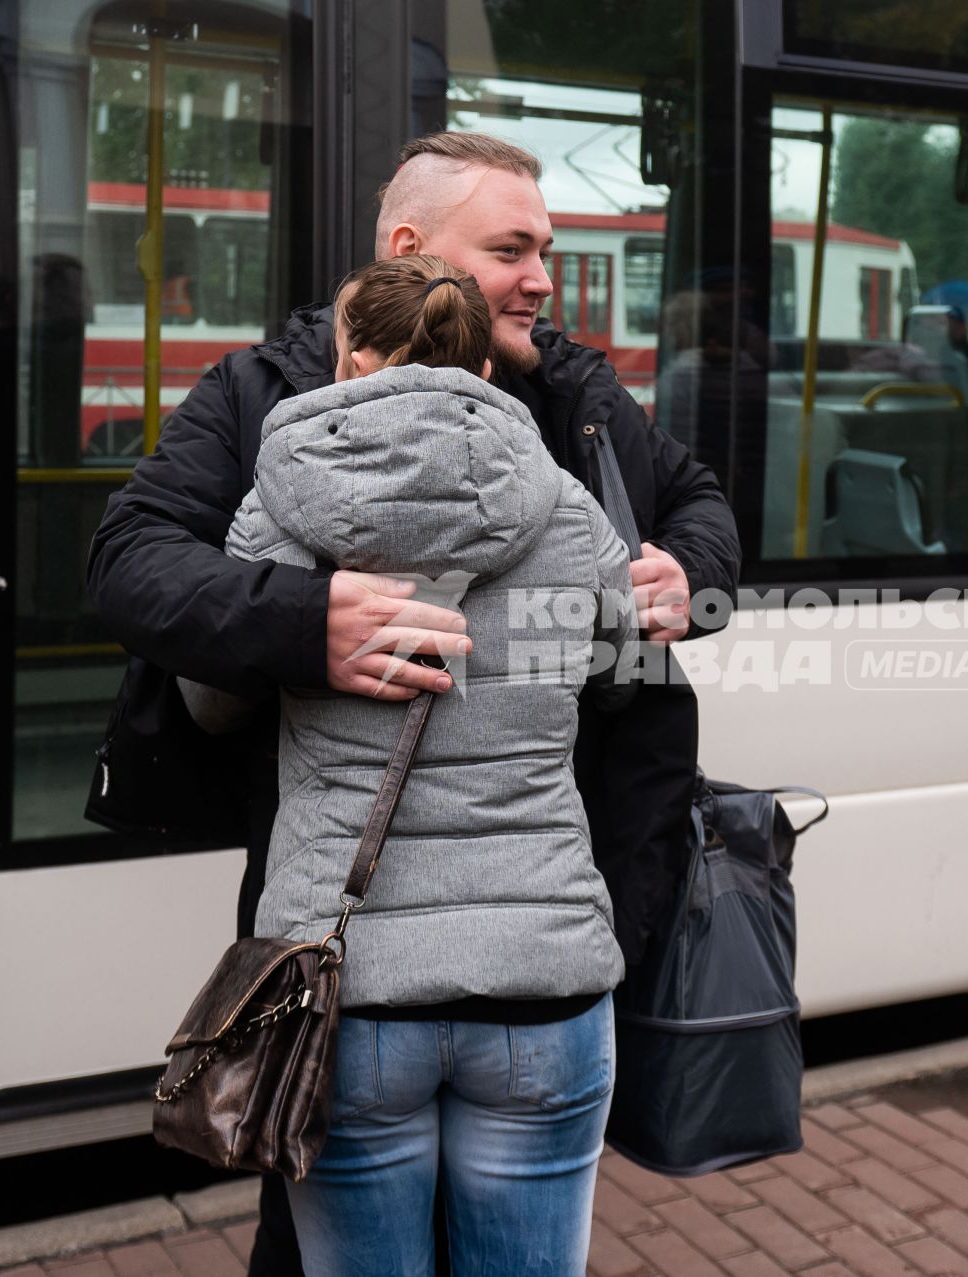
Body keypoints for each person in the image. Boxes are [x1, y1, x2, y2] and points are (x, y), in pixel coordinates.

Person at [85, 131, 741, 1277]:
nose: (543, 277)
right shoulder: (259, 389)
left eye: (546, 248)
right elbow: (126, 560)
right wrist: (309, 622)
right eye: (514, 248)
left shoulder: (574, 393)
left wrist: (693, 571)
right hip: (455, 947)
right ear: (410, 247)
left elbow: (698, 504)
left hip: (442, 941)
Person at [189, 253, 634, 1274]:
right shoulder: (565, 508)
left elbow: (210, 697)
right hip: (543, 974)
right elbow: (624, 667)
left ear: (353, 354)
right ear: (486, 367)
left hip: (351, 994)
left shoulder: (278, 502)